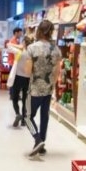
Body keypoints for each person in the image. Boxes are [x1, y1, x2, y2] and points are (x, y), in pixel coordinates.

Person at [23, 20, 62, 157]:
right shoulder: (56, 49)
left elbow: (28, 72)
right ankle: (42, 145)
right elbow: (58, 70)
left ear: (39, 30)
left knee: (27, 117)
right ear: (51, 32)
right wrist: (52, 83)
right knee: (44, 116)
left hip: (34, 89)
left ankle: (38, 139)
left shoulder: (32, 48)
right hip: (49, 88)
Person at [8, 36, 34, 127]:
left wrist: (18, 46)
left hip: (18, 78)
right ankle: (23, 120)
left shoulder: (19, 51)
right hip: (27, 79)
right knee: (25, 100)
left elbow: (8, 45)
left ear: (23, 44)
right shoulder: (31, 54)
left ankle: (17, 113)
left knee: (15, 98)